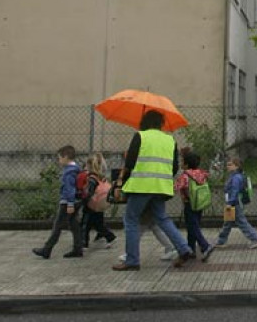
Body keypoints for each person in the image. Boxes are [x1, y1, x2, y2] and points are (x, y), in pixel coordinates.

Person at [112, 111, 194, 271]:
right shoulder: (170, 140)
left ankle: (132, 260)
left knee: (131, 220)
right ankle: (184, 249)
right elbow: (174, 167)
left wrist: (120, 182)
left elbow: (130, 162)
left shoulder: (140, 136)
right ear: (160, 123)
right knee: (162, 218)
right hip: (161, 187)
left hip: (141, 185)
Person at [32, 145, 84, 259]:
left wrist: (70, 203)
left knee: (57, 226)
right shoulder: (76, 168)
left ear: (66, 157)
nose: (59, 160)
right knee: (74, 224)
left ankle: (47, 249)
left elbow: (69, 189)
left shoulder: (69, 172)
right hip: (76, 201)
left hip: (67, 202)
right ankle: (78, 248)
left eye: (59, 158)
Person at [174, 151, 216, 262]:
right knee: (193, 225)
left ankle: (205, 246)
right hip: (199, 203)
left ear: (186, 164)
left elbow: (176, 187)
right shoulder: (201, 173)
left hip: (189, 204)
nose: (181, 163)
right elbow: (209, 175)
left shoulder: (185, 175)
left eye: (182, 161)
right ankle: (191, 249)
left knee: (193, 227)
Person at [215, 157, 257, 249]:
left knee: (241, 222)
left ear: (236, 166)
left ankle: (256, 239)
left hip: (234, 203)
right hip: (233, 202)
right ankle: (221, 241)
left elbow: (235, 190)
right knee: (227, 222)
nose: (227, 166)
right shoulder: (234, 175)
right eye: (227, 164)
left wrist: (230, 202)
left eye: (230, 165)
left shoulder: (236, 177)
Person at [80, 153, 117, 249]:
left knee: (85, 224)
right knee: (98, 224)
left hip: (91, 205)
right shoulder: (101, 177)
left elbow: (89, 193)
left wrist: (82, 200)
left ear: (89, 166)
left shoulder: (91, 179)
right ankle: (109, 236)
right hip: (99, 204)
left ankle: (84, 243)